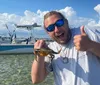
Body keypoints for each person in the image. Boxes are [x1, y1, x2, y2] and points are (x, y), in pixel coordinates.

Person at [31, 11, 100, 85]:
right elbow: (36, 79)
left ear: (66, 22)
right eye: (51, 28)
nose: (57, 29)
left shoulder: (87, 33)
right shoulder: (50, 49)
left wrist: (91, 45)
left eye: (59, 23)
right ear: (48, 32)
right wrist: (39, 54)